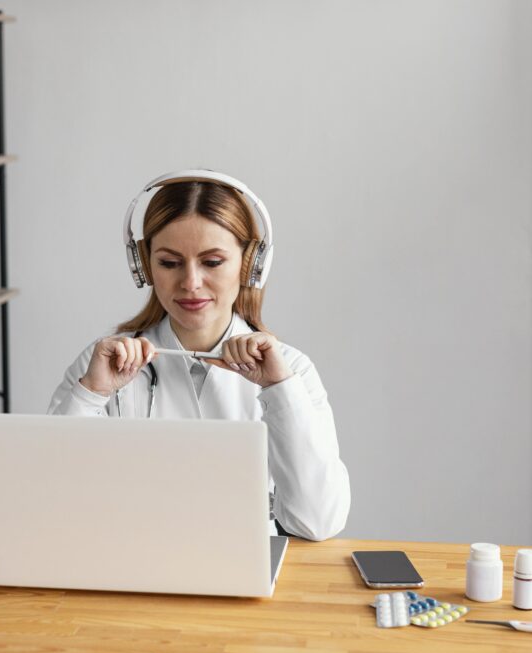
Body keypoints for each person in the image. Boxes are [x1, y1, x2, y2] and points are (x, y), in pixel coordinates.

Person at [48, 170, 349, 541]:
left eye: (212, 262)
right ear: (143, 267)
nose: (190, 283)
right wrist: (91, 393)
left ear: (250, 264)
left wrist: (279, 388)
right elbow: (52, 504)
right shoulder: (101, 365)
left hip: (245, 573)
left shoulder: (292, 370)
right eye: (169, 263)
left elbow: (317, 522)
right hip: (130, 569)